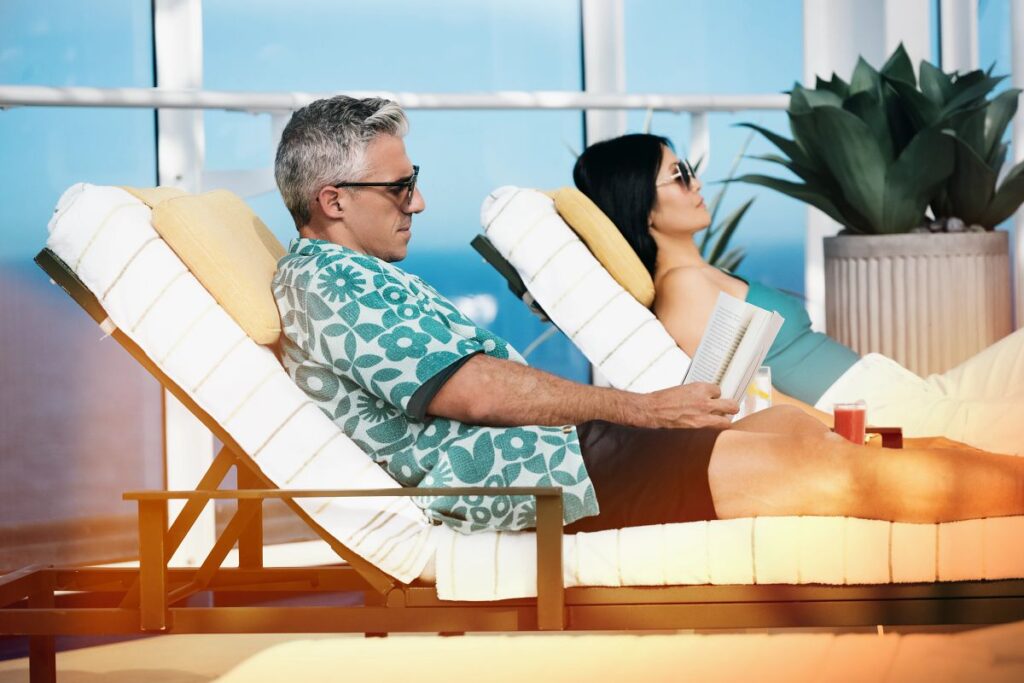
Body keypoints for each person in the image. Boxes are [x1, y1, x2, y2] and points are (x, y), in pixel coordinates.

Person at [272, 95, 1024, 537]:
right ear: (333, 199)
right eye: (400, 188)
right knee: (829, 466)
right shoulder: (327, 281)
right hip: (562, 478)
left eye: (416, 182)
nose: (419, 202)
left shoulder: (353, 278)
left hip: (578, 457)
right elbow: (471, 390)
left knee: (795, 429)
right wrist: (644, 408)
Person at [573, 133, 1024, 456]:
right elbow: (749, 401)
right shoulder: (684, 290)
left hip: (906, 394)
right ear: (642, 205)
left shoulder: (699, 274)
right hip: (883, 415)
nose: (696, 184)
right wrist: (858, 437)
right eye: (679, 175)